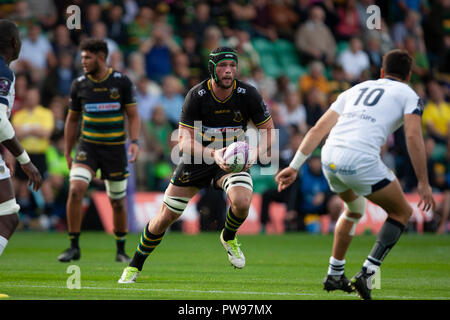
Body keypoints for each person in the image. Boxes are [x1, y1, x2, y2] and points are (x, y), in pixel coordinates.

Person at [275, 49, 435, 300]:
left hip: (330, 158)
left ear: (381, 72)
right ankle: (367, 274)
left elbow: (318, 128)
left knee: (354, 209)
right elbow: (414, 136)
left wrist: (295, 166)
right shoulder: (409, 94)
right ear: (409, 76)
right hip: (360, 159)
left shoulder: (355, 90)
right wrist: (423, 182)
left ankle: (334, 273)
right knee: (402, 212)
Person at [118, 47, 274, 283]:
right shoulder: (197, 95)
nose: (229, 71)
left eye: (232, 66)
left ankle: (228, 236)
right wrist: (214, 154)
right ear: (212, 68)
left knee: (242, 202)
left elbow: (268, 131)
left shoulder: (248, 94)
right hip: (197, 160)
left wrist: (257, 151)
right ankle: (134, 265)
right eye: (223, 66)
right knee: (165, 217)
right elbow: (183, 141)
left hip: (231, 162)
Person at [57, 39, 140, 263]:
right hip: (88, 147)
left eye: (87, 57)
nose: (82, 61)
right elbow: (72, 120)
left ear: (101, 57)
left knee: (117, 201)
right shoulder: (79, 84)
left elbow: (133, 115)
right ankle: (74, 246)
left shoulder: (122, 82)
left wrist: (134, 141)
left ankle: (121, 250)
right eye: (82, 57)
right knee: (75, 189)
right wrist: (67, 150)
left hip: (115, 150)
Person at [0, 19, 42, 257]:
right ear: (15, 43)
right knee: (7, 217)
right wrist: (25, 161)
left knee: (8, 214)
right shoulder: (3, 71)